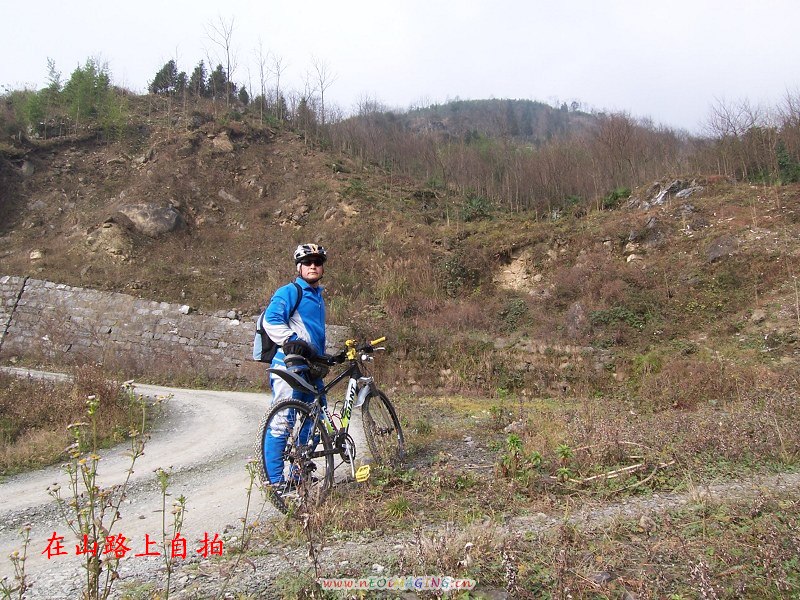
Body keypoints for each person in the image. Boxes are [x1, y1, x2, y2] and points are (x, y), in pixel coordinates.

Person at [261, 243, 331, 489]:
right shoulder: (290, 291)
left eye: (317, 262)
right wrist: (292, 341)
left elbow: (312, 333)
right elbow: (271, 320)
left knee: (316, 419)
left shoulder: (318, 297)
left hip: (311, 367)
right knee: (284, 419)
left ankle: (299, 474)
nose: (313, 266)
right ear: (299, 267)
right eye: (307, 262)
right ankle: (275, 481)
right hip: (289, 365)